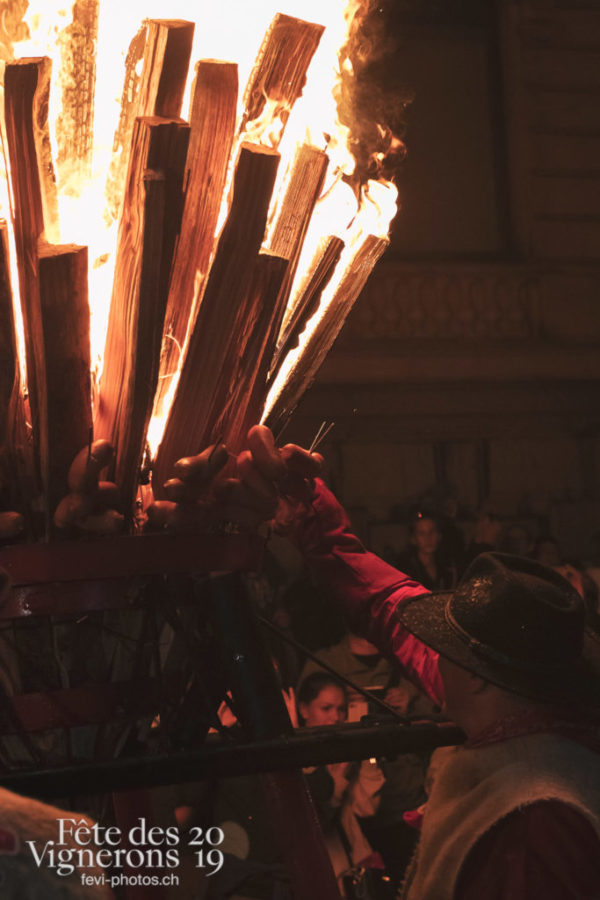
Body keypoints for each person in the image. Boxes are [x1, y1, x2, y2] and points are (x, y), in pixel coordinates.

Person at [242, 441, 600, 900]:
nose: (431, 652)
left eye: (447, 647)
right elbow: (387, 604)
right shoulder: (514, 703)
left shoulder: (543, 825)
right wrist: (312, 510)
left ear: (474, 675)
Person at [296, 673, 387, 898]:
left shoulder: (346, 752)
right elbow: (309, 821)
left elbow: (367, 808)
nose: (335, 717)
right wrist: (336, 785)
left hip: (350, 862)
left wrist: (366, 754)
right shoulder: (294, 758)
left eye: (341, 709)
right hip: (315, 867)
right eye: (326, 708)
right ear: (304, 709)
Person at [397, 511, 455, 591]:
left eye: (432, 532)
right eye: (421, 533)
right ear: (413, 539)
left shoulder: (448, 568)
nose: (428, 538)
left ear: (439, 535)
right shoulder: (406, 571)